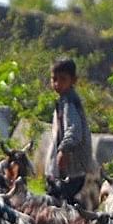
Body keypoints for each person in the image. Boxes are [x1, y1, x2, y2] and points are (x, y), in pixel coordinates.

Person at [43, 58, 93, 203]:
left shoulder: (69, 102)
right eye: (54, 79)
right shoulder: (64, 100)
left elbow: (74, 130)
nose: (57, 84)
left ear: (73, 80)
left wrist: (64, 150)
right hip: (68, 171)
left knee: (60, 206)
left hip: (72, 170)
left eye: (63, 79)